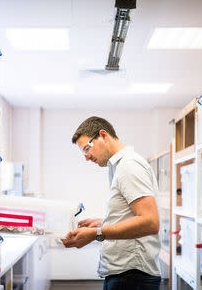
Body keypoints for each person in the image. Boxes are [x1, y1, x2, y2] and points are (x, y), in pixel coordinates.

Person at [61, 116, 161, 290]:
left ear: (103, 135)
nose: (86, 157)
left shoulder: (129, 166)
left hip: (132, 276)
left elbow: (150, 222)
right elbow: (133, 214)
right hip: (126, 274)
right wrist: (102, 223)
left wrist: (96, 233)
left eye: (86, 149)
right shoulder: (118, 166)